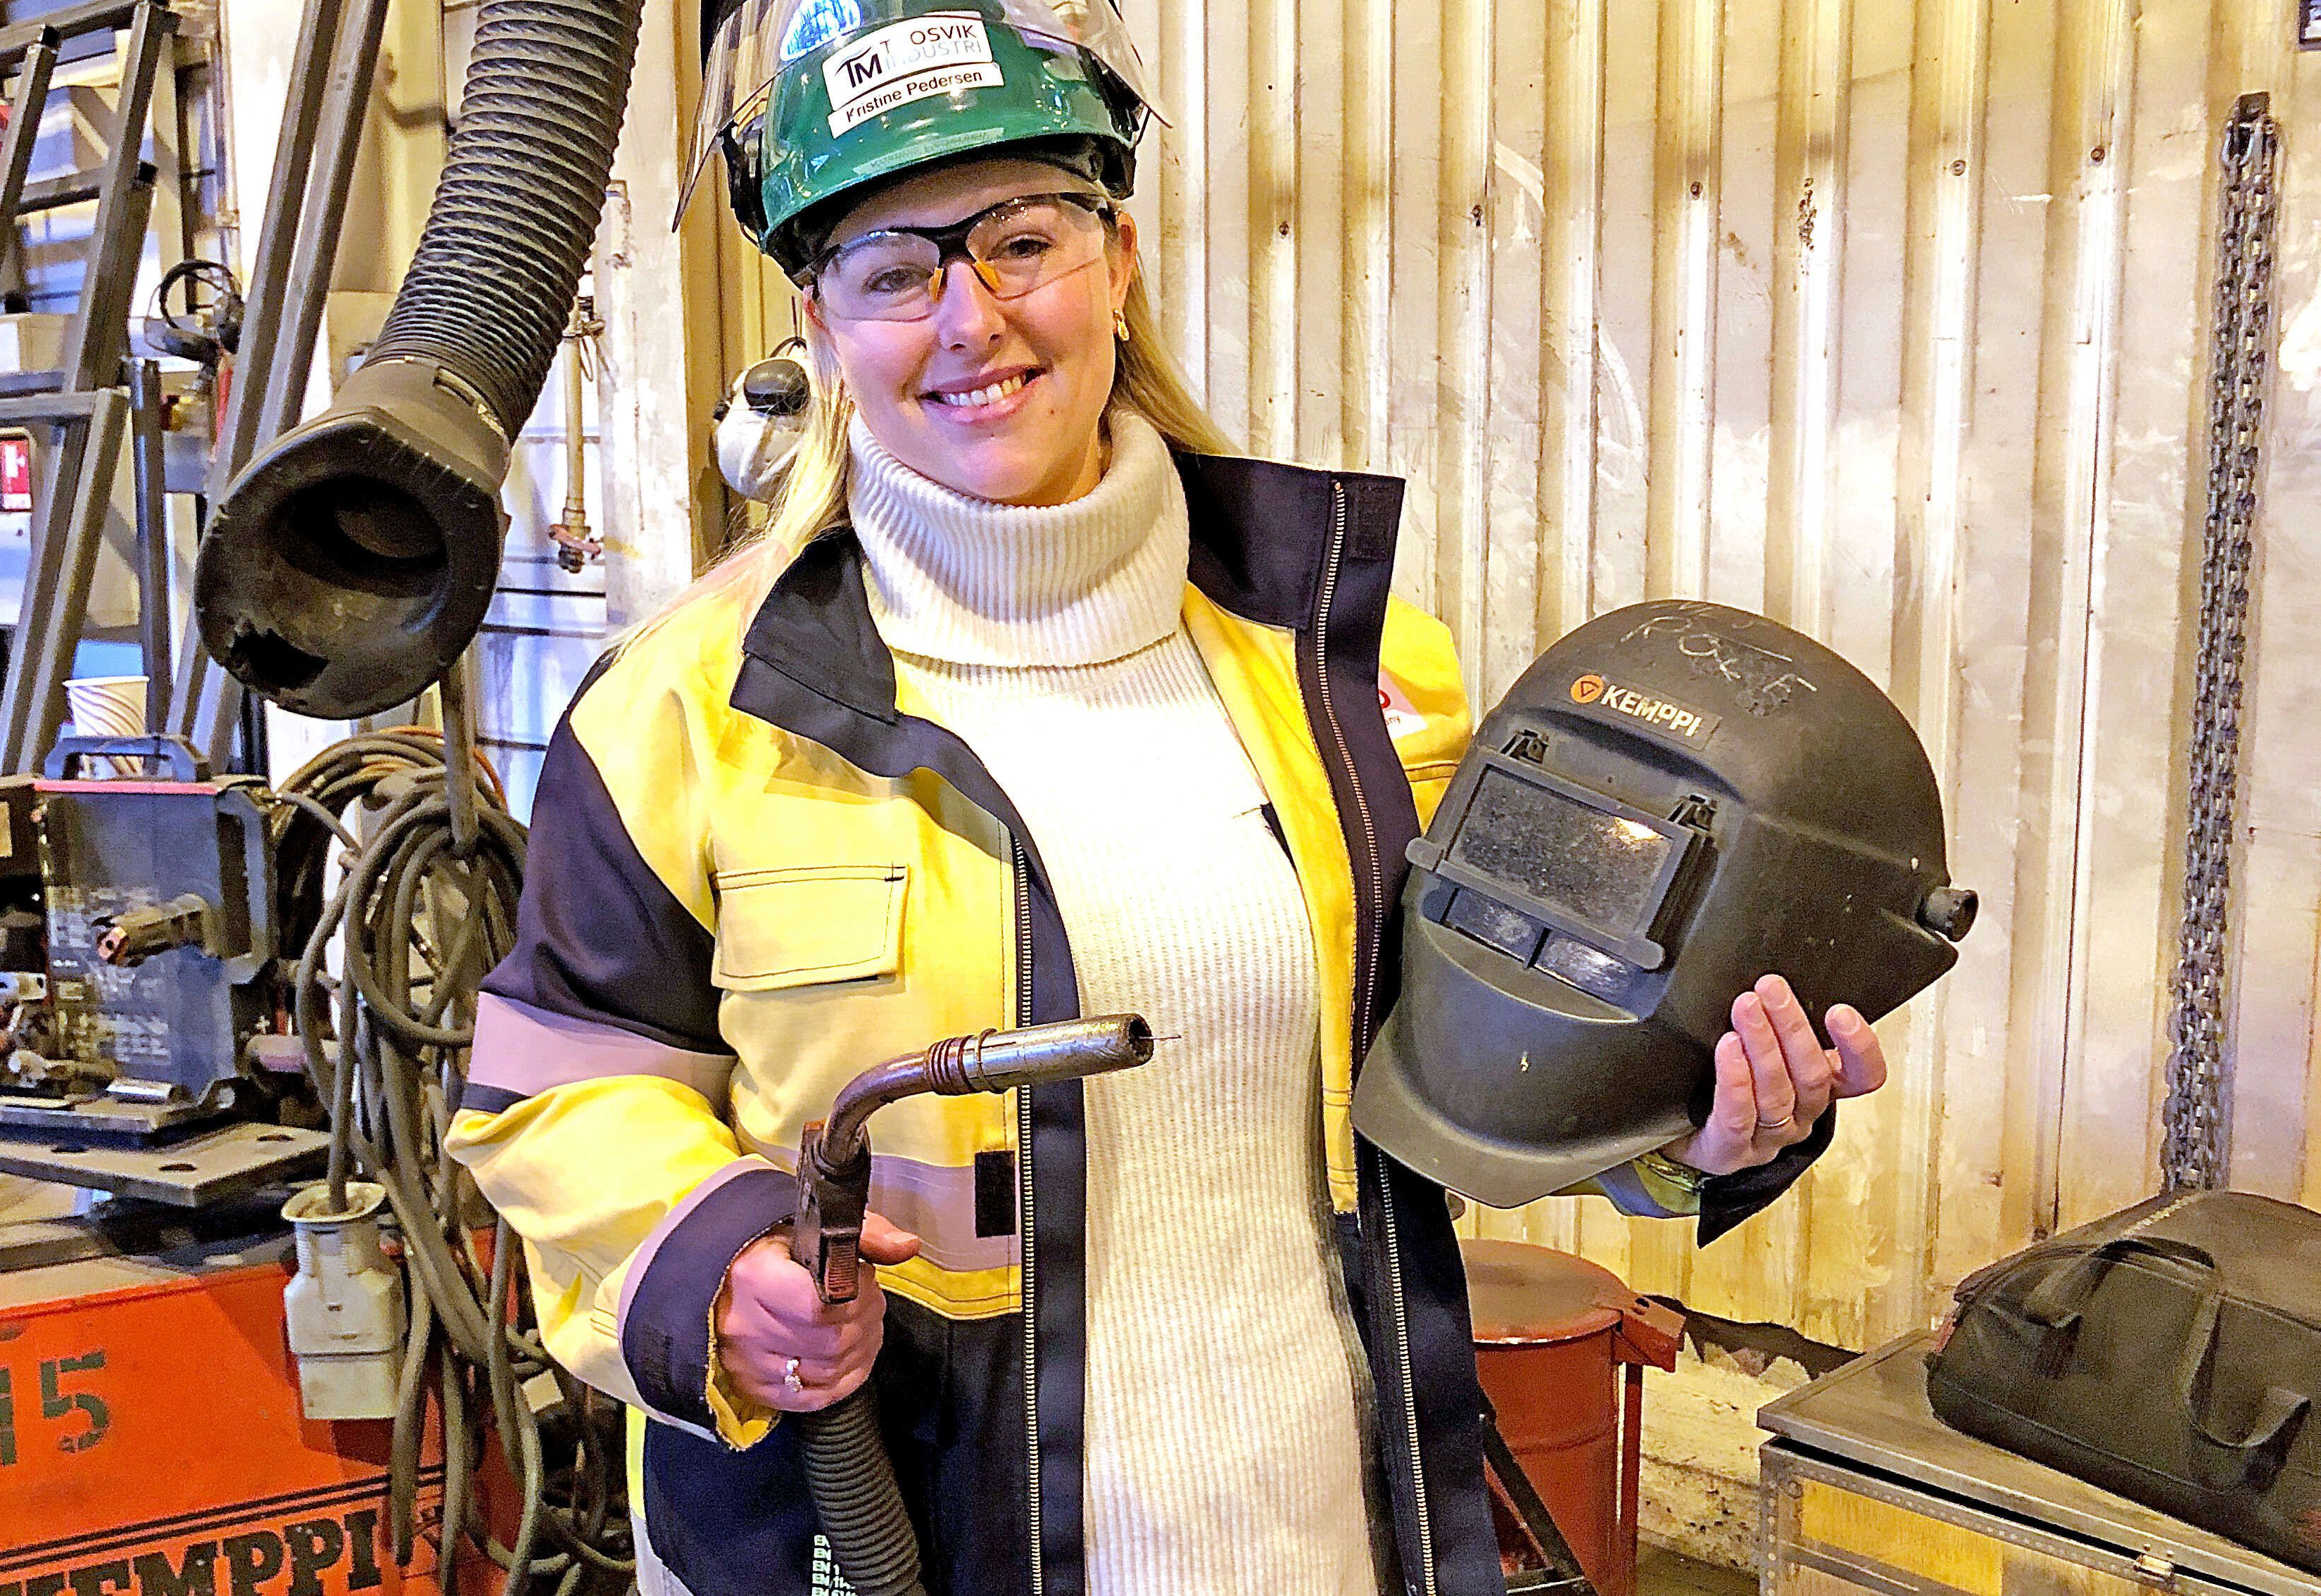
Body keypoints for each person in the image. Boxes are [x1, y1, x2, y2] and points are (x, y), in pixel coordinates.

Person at [451, 4, 1887, 1591]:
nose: (971, 319)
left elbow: (1472, 1080)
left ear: (1118, 256)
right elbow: (552, 1096)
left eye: (1022, 241)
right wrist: (715, 1271)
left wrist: (1701, 1125)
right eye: (894, 271)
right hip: (889, 1533)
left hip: (1310, 1529)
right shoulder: (684, 711)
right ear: (823, 320)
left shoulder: (1354, 678)